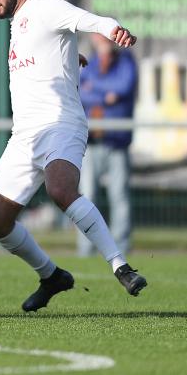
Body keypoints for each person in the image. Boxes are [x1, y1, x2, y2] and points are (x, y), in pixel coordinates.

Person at [0, 0, 147, 312]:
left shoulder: (42, 7)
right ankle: (52, 276)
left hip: (60, 123)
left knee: (60, 189)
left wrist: (113, 29)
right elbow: (46, 55)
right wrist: (73, 60)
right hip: (24, 136)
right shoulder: (18, 24)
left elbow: (89, 20)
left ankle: (121, 266)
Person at [76, 33, 137, 256]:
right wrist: (105, 95)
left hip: (117, 141)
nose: (101, 40)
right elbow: (82, 92)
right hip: (91, 141)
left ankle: (121, 248)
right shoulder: (90, 63)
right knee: (86, 197)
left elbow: (122, 88)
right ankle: (86, 248)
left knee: (119, 197)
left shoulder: (126, 62)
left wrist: (95, 89)